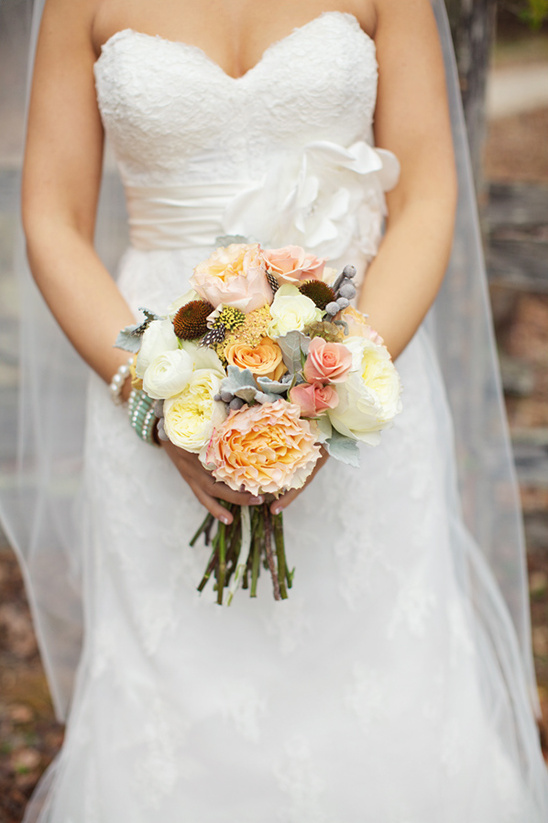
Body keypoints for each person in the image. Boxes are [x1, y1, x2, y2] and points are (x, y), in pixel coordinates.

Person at [2, 0, 548, 819]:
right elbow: (51, 216)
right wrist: (150, 401)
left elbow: (429, 195)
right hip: (153, 374)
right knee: (179, 696)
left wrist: (335, 389)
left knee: (382, 683)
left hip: (361, 357)